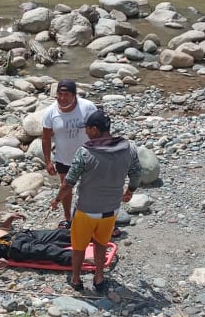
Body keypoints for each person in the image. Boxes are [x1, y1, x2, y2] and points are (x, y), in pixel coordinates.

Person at [51, 110, 140, 294]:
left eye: (87, 129)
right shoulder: (129, 149)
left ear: (94, 129)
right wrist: (130, 191)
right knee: (101, 244)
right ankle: (99, 278)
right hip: (111, 210)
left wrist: (57, 199)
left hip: (86, 211)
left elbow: (68, 183)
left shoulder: (84, 152)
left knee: (79, 247)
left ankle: (76, 279)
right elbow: (137, 174)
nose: (85, 132)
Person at [42, 80, 97, 228]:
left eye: (66, 94)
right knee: (65, 188)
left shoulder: (88, 107)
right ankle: (67, 218)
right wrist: (48, 161)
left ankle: (96, 218)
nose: (62, 98)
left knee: (91, 188)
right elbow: (46, 138)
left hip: (88, 157)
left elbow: (99, 130)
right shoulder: (50, 112)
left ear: (74, 95)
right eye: (59, 94)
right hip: (64, 158)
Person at [0, 214, 76, 268]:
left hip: (20, 236)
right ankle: (79, 258)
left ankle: (85, 236)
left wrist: (10, 218)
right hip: (12, 247)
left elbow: (1, 229)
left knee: (59, 233)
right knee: (48, 250)